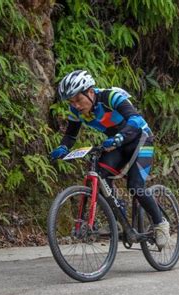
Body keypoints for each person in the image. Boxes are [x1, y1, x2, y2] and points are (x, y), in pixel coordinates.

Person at [50, 70, 170, 247]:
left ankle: (161, 224)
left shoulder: (110, 97)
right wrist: (62, 148)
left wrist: (120, 137)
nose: (75, 105)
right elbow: (70, 135)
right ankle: (117, 218)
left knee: (135, 185)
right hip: (117, 143)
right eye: (71, 101)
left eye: (78, 100)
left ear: (90, 92)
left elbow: (135, 119)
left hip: (140, 138)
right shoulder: (76, 111)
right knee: (99, 175)